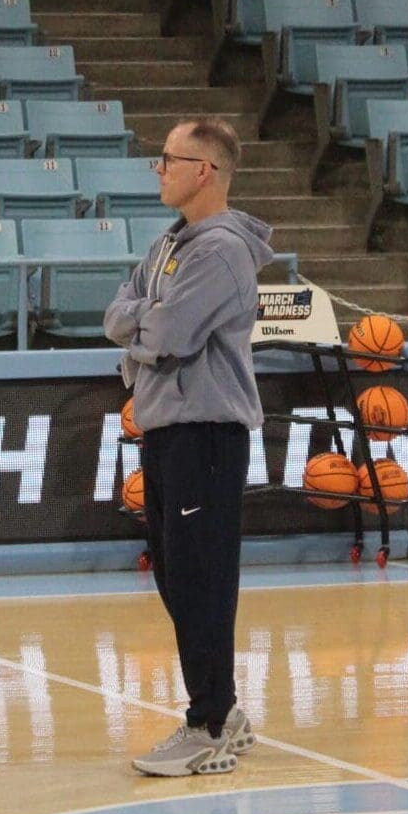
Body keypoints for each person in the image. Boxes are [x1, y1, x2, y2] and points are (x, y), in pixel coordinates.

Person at [103, 117, 273, 777]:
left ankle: (209, 724)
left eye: (169, 159)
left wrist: (144, 323)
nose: (159, 169)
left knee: (201, 580)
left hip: (205, 435)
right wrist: (144, 320)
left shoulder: (221, 251)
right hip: (167, 429)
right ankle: (220, 711)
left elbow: (169, 333)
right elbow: (117, 313)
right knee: (177, 577)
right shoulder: (168, 245)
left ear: (204, 171)